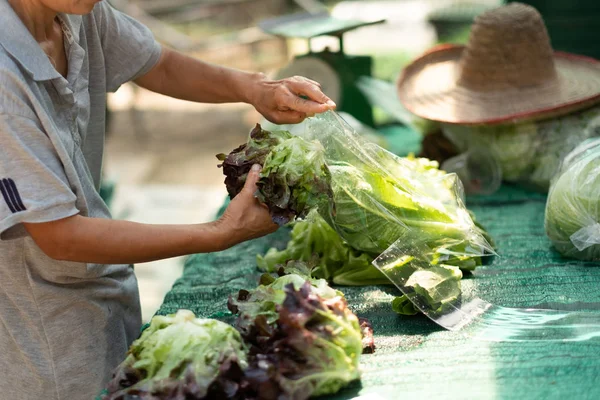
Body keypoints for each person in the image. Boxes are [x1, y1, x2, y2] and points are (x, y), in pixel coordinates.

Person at [0, 0, 336, 399]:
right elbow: (60, 236)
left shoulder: (76, 12)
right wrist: (220, 233)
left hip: (100, 293)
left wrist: (255, 88)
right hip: (45, 336)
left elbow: (156, 63)